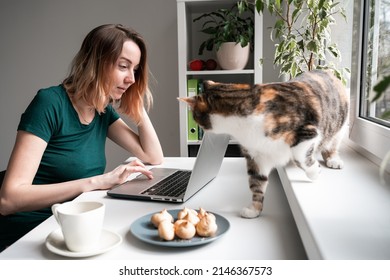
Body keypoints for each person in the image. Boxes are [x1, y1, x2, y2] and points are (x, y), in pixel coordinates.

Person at [0, 24, 164, 251]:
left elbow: (152, 155)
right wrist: (96, 182)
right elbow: (9, 199)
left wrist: (137, 106)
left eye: (135, 70)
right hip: (30, 233)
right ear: (96, 62)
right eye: (124, 67)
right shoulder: (49, 103)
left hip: (74, 225)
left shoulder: (101, 109)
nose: (132, 79)